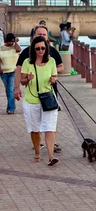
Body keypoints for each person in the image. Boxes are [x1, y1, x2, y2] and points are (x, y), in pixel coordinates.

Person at [15, 25, 64, 152]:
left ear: (48, 37)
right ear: (33, 37)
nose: (41, 37)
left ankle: (51, 147)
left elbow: (61, 67)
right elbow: (19, 70)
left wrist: (51, 73)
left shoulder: (53, 53)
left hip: (50, 92)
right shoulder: (27, 52)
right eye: (39, 34)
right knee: (36, 122)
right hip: (33, 95)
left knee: (50, 121)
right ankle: (38, 144)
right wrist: (16, 88)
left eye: (44, 34)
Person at [20, 36, 59, 165]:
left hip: (48, 98)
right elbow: (22, 80)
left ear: (46, 48)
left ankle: (50, 156)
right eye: (37, 48)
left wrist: (54, 79)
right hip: (32, 100)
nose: (40, 50)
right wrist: (28, 79)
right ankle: (37, 152)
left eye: (43, 48)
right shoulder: (27, 62)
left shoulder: (52, 61)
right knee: (35, 129)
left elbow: (54, 76)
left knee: (50, 128)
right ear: (33, 49)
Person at [0, 33, 22, 114]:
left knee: (10, 89)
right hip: (3, 72)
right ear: (7, 40)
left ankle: (11, 108)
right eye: (10, 41)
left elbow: (19, 50)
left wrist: (16, 42)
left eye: (12, 41)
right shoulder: (1, 48)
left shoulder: (15, 47)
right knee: (8, 90)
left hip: (13, 71)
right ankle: (11, 105)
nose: (11, 43)